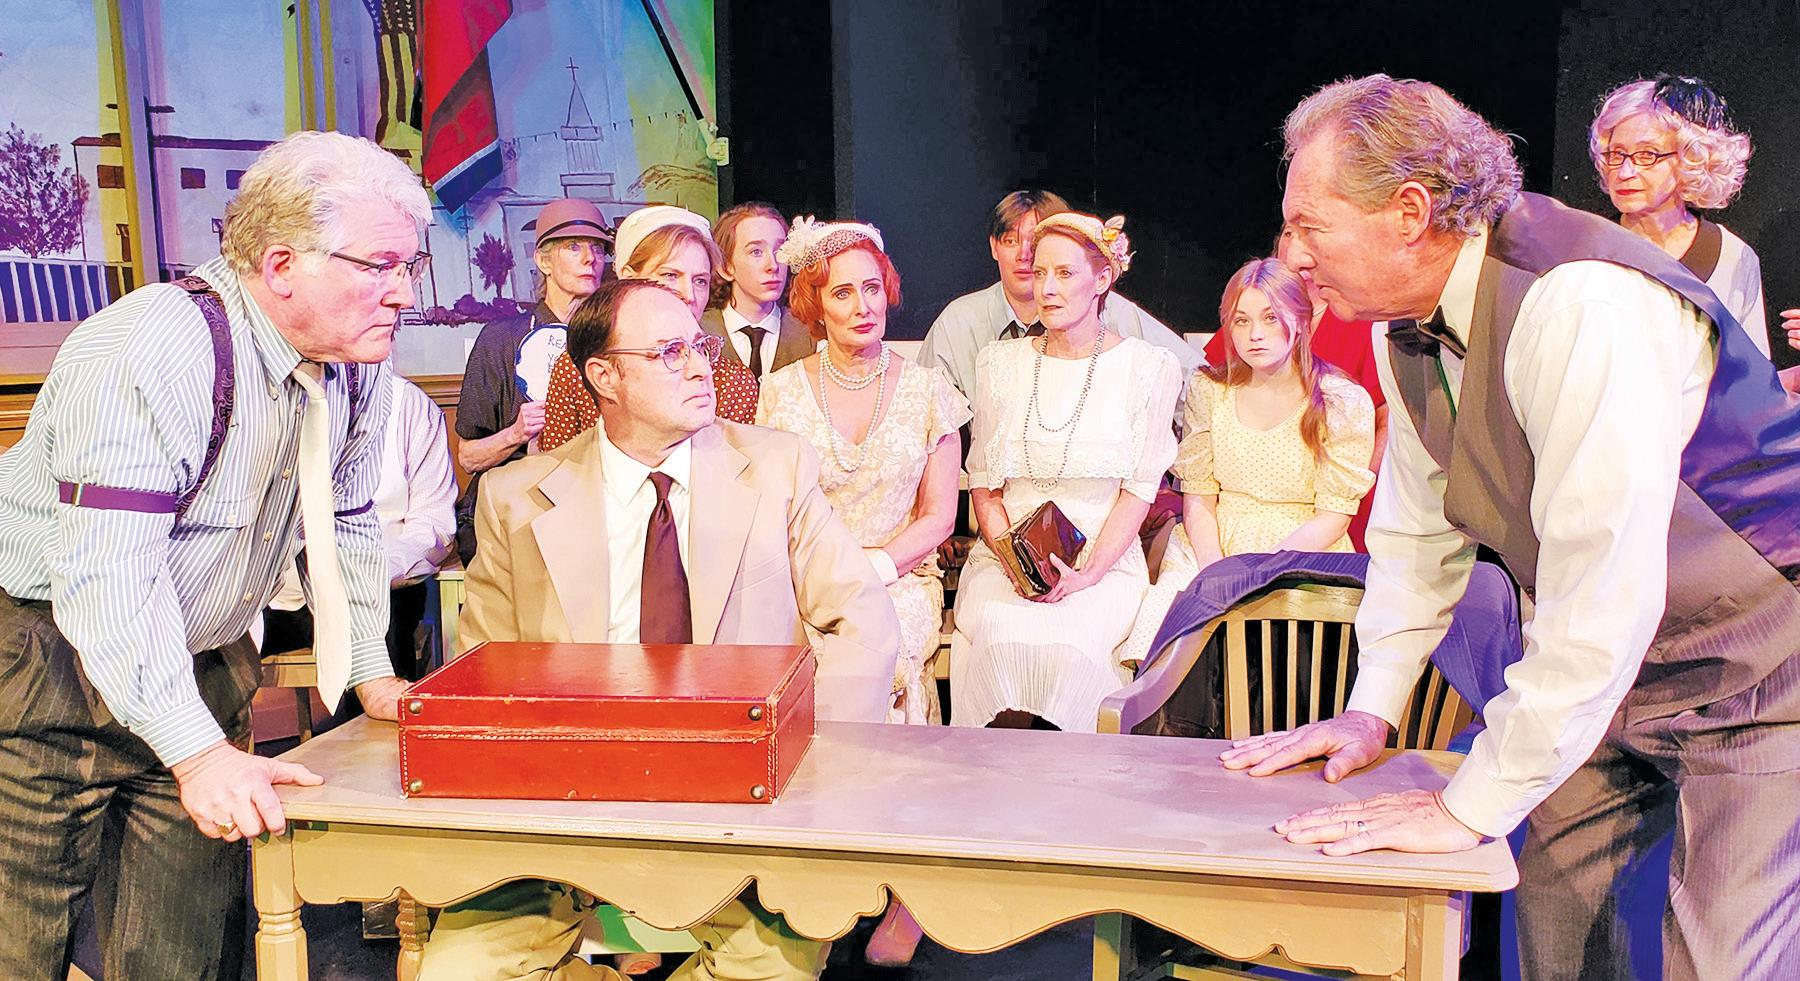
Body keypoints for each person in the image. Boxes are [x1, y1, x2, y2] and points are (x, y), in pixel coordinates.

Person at [1222, 74, 1800, 981]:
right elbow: (1417, 536)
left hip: (1761, 669)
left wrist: (1463, 807)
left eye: (1309, 226)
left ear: (1409, 212)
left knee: (1719, 962)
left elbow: (1605, 591)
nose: (1290, 255)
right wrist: (1372, 706)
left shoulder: (1582, 305)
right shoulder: (1401, 324)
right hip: (1607, 672)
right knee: (1558, 939)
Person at [0, 130, 424, 979]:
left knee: (183, 953)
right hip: (48, 661)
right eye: (380, 265)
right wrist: (195, 754)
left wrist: (372, 667)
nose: (404, 292)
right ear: (281, 265)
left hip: (205, 657)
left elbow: (344, 519)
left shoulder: (354, 362)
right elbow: (110, 577)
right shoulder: (150, 348)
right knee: (20, 941)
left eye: (410, 265)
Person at [419, 277, 900, 981]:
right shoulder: (515, 499)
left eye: (699, 346)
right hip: (567, 812)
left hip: (745, 806)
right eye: (670, 352)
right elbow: (488, 676)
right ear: (604, 376)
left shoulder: (777, 468)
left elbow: (862, 622)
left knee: (771, 971)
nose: (701, 366)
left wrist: (799, 771)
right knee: (457, 973)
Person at [754, 217, 966, 967]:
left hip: (898, 575)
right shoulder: (779, 394)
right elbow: (767, 508)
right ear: (815, 303)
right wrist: (818, 580)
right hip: (801, 579)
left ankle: (903, 882)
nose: (862, 305)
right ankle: (813, 874)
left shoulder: (931, 391)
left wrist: (873, 569)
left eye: (872, 288)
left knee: (888, 651)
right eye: (842, 292)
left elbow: (939, 517)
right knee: (789, 660)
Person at [950, 212, 1181, 733]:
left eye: (1065, 274)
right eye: (1040, 273)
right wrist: (1016, 562)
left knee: (1070, 645)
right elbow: (984, 484)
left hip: (1102, 564)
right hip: (1008, 563)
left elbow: (1139, 491)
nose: (1047, 289)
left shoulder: (1147, 367)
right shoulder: (999, 363)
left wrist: (1088, 574)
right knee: (1002, 635)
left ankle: (1071, 780)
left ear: (1102, 279)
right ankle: (990, 777)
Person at [1124, 258, 1374, 666]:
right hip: (1211, 544)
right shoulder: (1210, 390)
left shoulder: (1340, 400)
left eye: (1270, 318)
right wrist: (1217, 572)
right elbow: (1199, 495)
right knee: (1164, 644)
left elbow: (1334, 515)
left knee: (1275, 663)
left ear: (1301, 320)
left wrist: (1260, 572)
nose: (1255, 334)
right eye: (1242, 320)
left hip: (1300, 553)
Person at [917, 190, 1201, 411]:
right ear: (993, 246)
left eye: (1035, 243)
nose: (1024, 255)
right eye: (1010, 241)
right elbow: (922, 415)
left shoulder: (1109, 310)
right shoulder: (960, 322)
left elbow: (1196, 379)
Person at [265, 370, 458, 684]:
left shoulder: (408, 404)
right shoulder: (271, 397)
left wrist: (370, 575)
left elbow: (433, 527)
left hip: (380, 588)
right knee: (210, 637)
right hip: (281, 593)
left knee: (380, 630)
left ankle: (376, 713)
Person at [1203, 227, 1388, 550]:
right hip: (1238, 517)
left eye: (1309, 233)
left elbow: (1386, 422)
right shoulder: (1249, 320)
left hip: (1334, 503)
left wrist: (1346, 491)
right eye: (1289, 233)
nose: (1296, 247)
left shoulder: (1360, 320)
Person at [455, 198, 609, 561]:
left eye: (598, 248)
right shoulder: (501, 339)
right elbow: (468, 457)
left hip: (597, 506)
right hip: (513, 508)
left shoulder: (614, 340)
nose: (590, 258)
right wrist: (516, 433)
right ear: (544, 261)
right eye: (574, 247)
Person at [540, 206, 760, 448]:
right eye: (670, 276)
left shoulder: (731, 382)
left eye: (700, 281)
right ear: (628, 278)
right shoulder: (577, 370)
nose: (688, 295)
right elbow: (557, 464)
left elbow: (735, 466)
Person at [1590, 75, 1771, 358]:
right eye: (1617, 154)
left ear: (1693, 159)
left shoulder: (1731, 258)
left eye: (1647, 155)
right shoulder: (1587, 249)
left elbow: (1752, 375)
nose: (1625, 172)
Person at [702, 202, 812, 378]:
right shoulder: (699, 331)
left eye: (780, 250)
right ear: (725, 266)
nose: (773, 265)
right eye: (756, 252)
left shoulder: (809, 334)